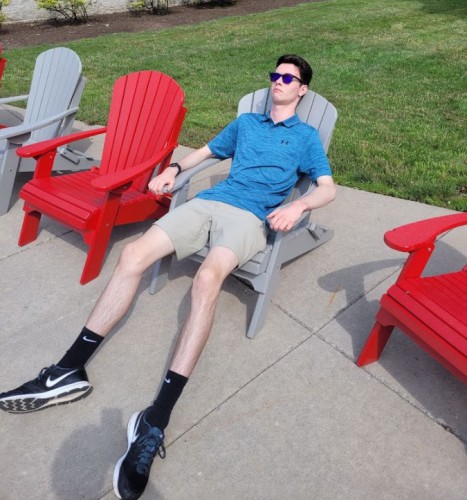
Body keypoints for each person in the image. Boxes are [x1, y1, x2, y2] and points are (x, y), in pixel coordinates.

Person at [0, 54, 336, 500]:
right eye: (275, 75)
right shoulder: (246, 124)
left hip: (251, 218)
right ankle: (67, 371)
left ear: (302, 91)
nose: (278, 81)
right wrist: (175, 169)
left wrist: (298, 205)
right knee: (133, 255)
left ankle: (155, 419)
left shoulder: (307, 137)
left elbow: (327, 186)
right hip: (211, 201)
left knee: (206, 279)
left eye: (288, 78)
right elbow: (207, 152)